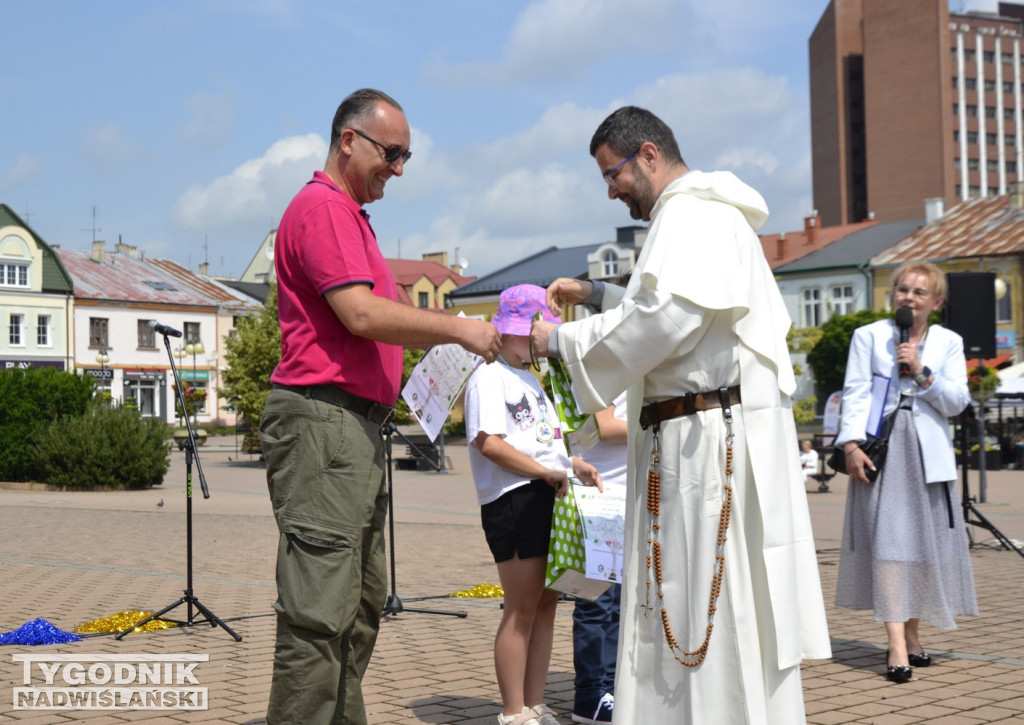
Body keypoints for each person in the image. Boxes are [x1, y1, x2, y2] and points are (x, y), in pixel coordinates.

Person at [529, 105, 831, 723]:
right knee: (695, 606)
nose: (611, 190)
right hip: (694, 436)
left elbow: (666, 322)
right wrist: (596, 294)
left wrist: (558, 341)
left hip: (701, 451)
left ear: (647, 153)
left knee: (702, 610)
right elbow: (673, 311)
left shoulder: (691, 215)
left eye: (612, 173)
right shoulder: (698, 217)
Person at [260, 88, 501, 725]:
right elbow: (362, 313)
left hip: (351, 429)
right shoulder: (324, 209)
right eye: (391, 153)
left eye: (406, 156)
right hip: (324, 422)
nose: (397, 168)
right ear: (349, 141)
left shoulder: (348, 216)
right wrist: (458, 329)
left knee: (358, 607)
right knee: (319, 614)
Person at [833, 262, 977, 684]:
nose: (908, 298)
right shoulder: (869, 336)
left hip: (927, 453)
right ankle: (896, 644)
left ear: (936, 301)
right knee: (889, 546)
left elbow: (957, 402)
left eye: (919, 292)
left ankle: (913, 636)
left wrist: (921, 371)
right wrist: (851, 445)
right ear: (893, 295)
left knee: (921, 547)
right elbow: (856, 391)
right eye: (902, 290)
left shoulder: (949, 341)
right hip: (882, 449)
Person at [464, 284, 602, 725]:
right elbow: (489, 443)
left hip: (544, 493)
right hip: (513, 499)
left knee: (545, 606)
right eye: (537, 328)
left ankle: (534, 704)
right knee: (520, 608)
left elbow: (542, 444)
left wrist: (571, 462)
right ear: (515, 329)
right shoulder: (489, 376)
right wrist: (544, 472)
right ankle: (513, 712)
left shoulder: (528, 377)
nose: (543, 338)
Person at [570, 392, 626, 725]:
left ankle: (611, 690)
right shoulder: (606, 365)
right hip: (600, 499)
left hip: (621, 499)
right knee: (597, 604)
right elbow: (600, 426)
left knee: (618, 604)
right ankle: (590, 695)